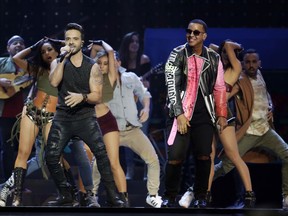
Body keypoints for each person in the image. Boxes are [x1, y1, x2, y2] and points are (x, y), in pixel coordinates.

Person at [45, 22, 124, 207]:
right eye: (68, 39)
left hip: (85, 117)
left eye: (75, 39)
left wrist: (82, 97)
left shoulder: (92, 66)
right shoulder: (58, 62)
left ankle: (113, 196)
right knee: (51, 156)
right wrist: (63, 59)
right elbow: (55, 82)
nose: (71, 43)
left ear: (82, 42)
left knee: (102, 155)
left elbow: (97, 96)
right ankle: (66, 194)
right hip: (63, 117)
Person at [178, 40, 255, 208]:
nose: (226, 55)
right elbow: (212, 47)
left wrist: (232, 47)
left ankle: (249, 194)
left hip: (224, 115)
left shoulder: (234, 69)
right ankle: (205, 194)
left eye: (230, 54)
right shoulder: (215, 64)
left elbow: (226, 44)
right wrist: (222, 50)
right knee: (209, 159)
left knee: (233, 155)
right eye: (224, 53)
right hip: (207, 115)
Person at [162, 19, 227, 208]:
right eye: (189, 31)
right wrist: (179, 114)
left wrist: (221, 114)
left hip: (204, 114)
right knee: (175, 157)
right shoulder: (177, 53)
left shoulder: (213, 57)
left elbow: (220, 87)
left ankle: (201, 196)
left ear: (204, 36)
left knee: (204, 157)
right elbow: (171, 85)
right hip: (180, 114)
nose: (191, 35)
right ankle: (170, 196)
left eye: (196, 33)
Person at [212, 48, 288, 210]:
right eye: (247, 62)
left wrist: (271, 108)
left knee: (287, 154)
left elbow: (265, 97)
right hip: (248, 132)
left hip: (266, 132)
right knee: (226, 165)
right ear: (243, 64)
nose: (251, 65)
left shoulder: (260, 76)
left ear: (259, 63)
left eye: (254, 62)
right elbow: (225, 97)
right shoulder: (240, 81)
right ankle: (196, 189)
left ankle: (286, 196)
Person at [92, 51, 163, 208]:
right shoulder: (99, 82)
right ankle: (92, 196)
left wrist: (145, 108)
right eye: (102, 63)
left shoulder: (130, 77)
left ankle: (152, 195)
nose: (108, 65)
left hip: (131, 129)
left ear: (118, 62)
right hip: (110, 131)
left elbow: (145, 94)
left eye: (111, 62)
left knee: (153, 159)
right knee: (98, 162)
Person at [83, 40, 128, 207]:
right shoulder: (90, 75)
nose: (102, 66)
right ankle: (88, 197)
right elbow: (93, 53)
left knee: (114, 163)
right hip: (89, 122)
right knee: (87, 162)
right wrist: (96, 46)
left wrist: (102, 43)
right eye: (99, 63)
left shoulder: (111, 77)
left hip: (107, 120)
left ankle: (124, 200)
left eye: (105, 64)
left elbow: (109, 53)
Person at [118, 32, 152, 180]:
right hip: (124, 103)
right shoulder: (120, 62)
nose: (135, 44)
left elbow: (147, 86)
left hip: (141, 103)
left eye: (137, 41)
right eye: (132, 41)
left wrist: (139, 82)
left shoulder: (144, 60)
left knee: (141, 137)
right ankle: (130, 169)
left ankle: (146, 170)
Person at [0, 35, 28, 181]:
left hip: (23, 115)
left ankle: (19, 185)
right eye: (14, 43)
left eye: (21, 43)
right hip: (4, 114)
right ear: (8, 48)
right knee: (7, 150)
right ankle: (6, 184)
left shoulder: (28, 66)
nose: (18, 45)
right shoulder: (1, 62)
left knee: (22, 151)